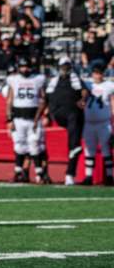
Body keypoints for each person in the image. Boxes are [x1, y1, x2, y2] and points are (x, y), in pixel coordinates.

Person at [46, 56, 89, 185]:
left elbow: (84, 90)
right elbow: (46, 97)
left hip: (73, 114)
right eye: (63, 66)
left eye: (67, 66)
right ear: (59, 67)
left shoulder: (74, 78)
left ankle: (70, 175)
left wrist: (82, 99)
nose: (65, 68)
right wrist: (46, 114)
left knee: (73, 145)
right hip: (59, 114)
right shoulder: (54, 80)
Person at [6, 56, 48, 183]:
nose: (25, 69)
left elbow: (43, 99)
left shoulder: (38, 79)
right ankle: (18, 173)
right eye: (22, 66)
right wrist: (9, 119)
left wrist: (40, 116)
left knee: (35, 145)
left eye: (27, 66)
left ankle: (39, 174)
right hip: (18, 117)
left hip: (33, 118)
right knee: (19, 146)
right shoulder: (13, 79)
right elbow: (9, 100)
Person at [80, 60, 114, 185]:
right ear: (92, 74)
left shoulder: (109, 85)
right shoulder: (87, 84)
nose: (97, 75)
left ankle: (110, 176)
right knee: (89, 149)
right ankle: (88, 176)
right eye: (95, 73)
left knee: (106, 149)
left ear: (103, 74)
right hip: (88, 122)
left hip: (103, 123)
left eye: (99, 73)